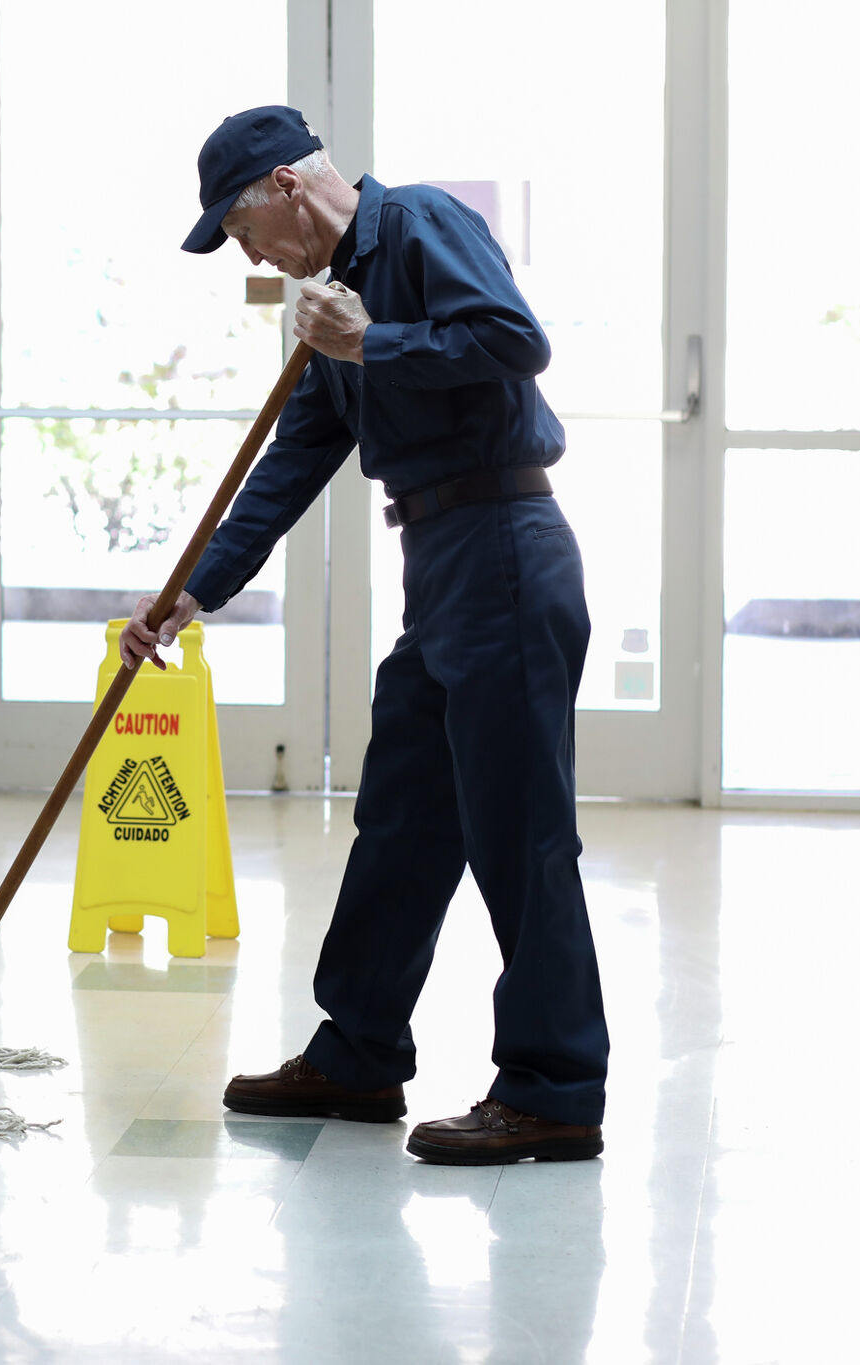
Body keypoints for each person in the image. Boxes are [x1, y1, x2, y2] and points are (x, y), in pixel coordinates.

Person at [121, 106, 608, 1164]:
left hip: (505, 547)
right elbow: (292, 463)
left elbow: (516, 342)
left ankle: (553, 1088)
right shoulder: (323, 309)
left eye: (242, 228)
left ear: (287, 189)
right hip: (437, 566)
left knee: (519, 833)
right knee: (399, 820)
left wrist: (371, 340)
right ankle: (356, 1055)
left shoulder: (420, 224)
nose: (245, 254)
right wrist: (187, 595)